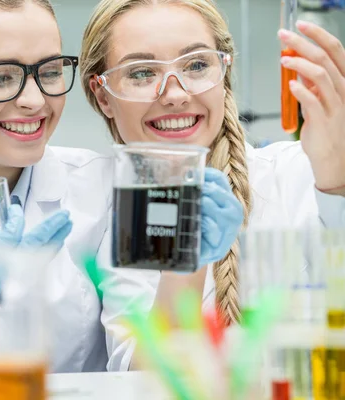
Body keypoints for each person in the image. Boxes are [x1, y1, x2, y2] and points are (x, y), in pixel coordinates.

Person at [0, 0, 243, 373]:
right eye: (0, 77)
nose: (35, 100)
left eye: (50, 72)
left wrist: (183, 266)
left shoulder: (106, 186)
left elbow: (142, 369)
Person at [79, 0, 345, 369]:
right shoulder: (122, 225)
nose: (174, 94)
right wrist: (184, 265)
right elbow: (143, 380)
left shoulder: (301, 171)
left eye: (197, 64)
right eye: (141, 72)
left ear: (224, 71)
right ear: (103, 96)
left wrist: (337, 179)